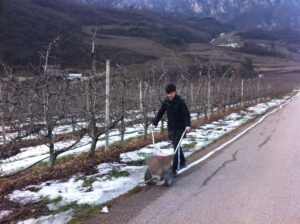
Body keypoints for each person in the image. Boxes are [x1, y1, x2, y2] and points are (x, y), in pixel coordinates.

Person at [151, 83, 191, 175]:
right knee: (176, 145)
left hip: (181, 127)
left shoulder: (180, 101)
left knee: (175, 148)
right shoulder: (166, 102)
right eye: (168, 94)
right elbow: (160, 113)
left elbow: (186, 113)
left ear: (175, 92)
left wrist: (188, 124)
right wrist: (154, 123)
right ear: (166, 94)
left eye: (171, 93)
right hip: (171, 127)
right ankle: (183, 161)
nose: (170, 95)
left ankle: (174, 170)